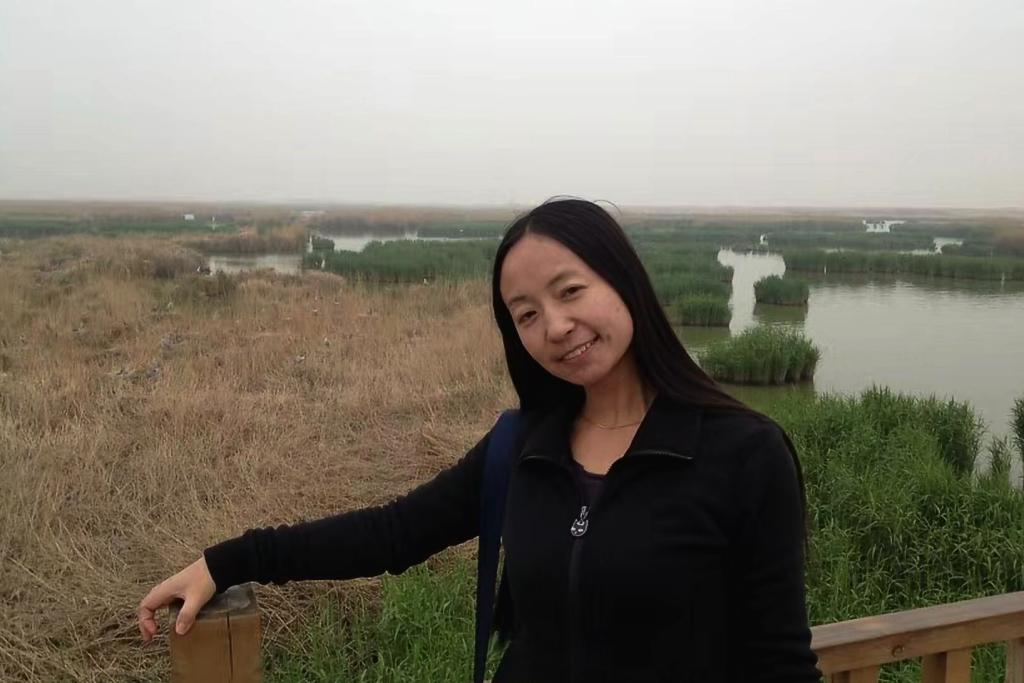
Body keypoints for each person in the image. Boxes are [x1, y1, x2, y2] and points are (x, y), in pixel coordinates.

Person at [138, 198, 821, 682]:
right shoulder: (522, 447)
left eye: (570, 291)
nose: (555, 326)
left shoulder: (743, 453)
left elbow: (782, 664)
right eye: (527, 315)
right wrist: (232, 560)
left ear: (625, 280)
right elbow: (393, 533)